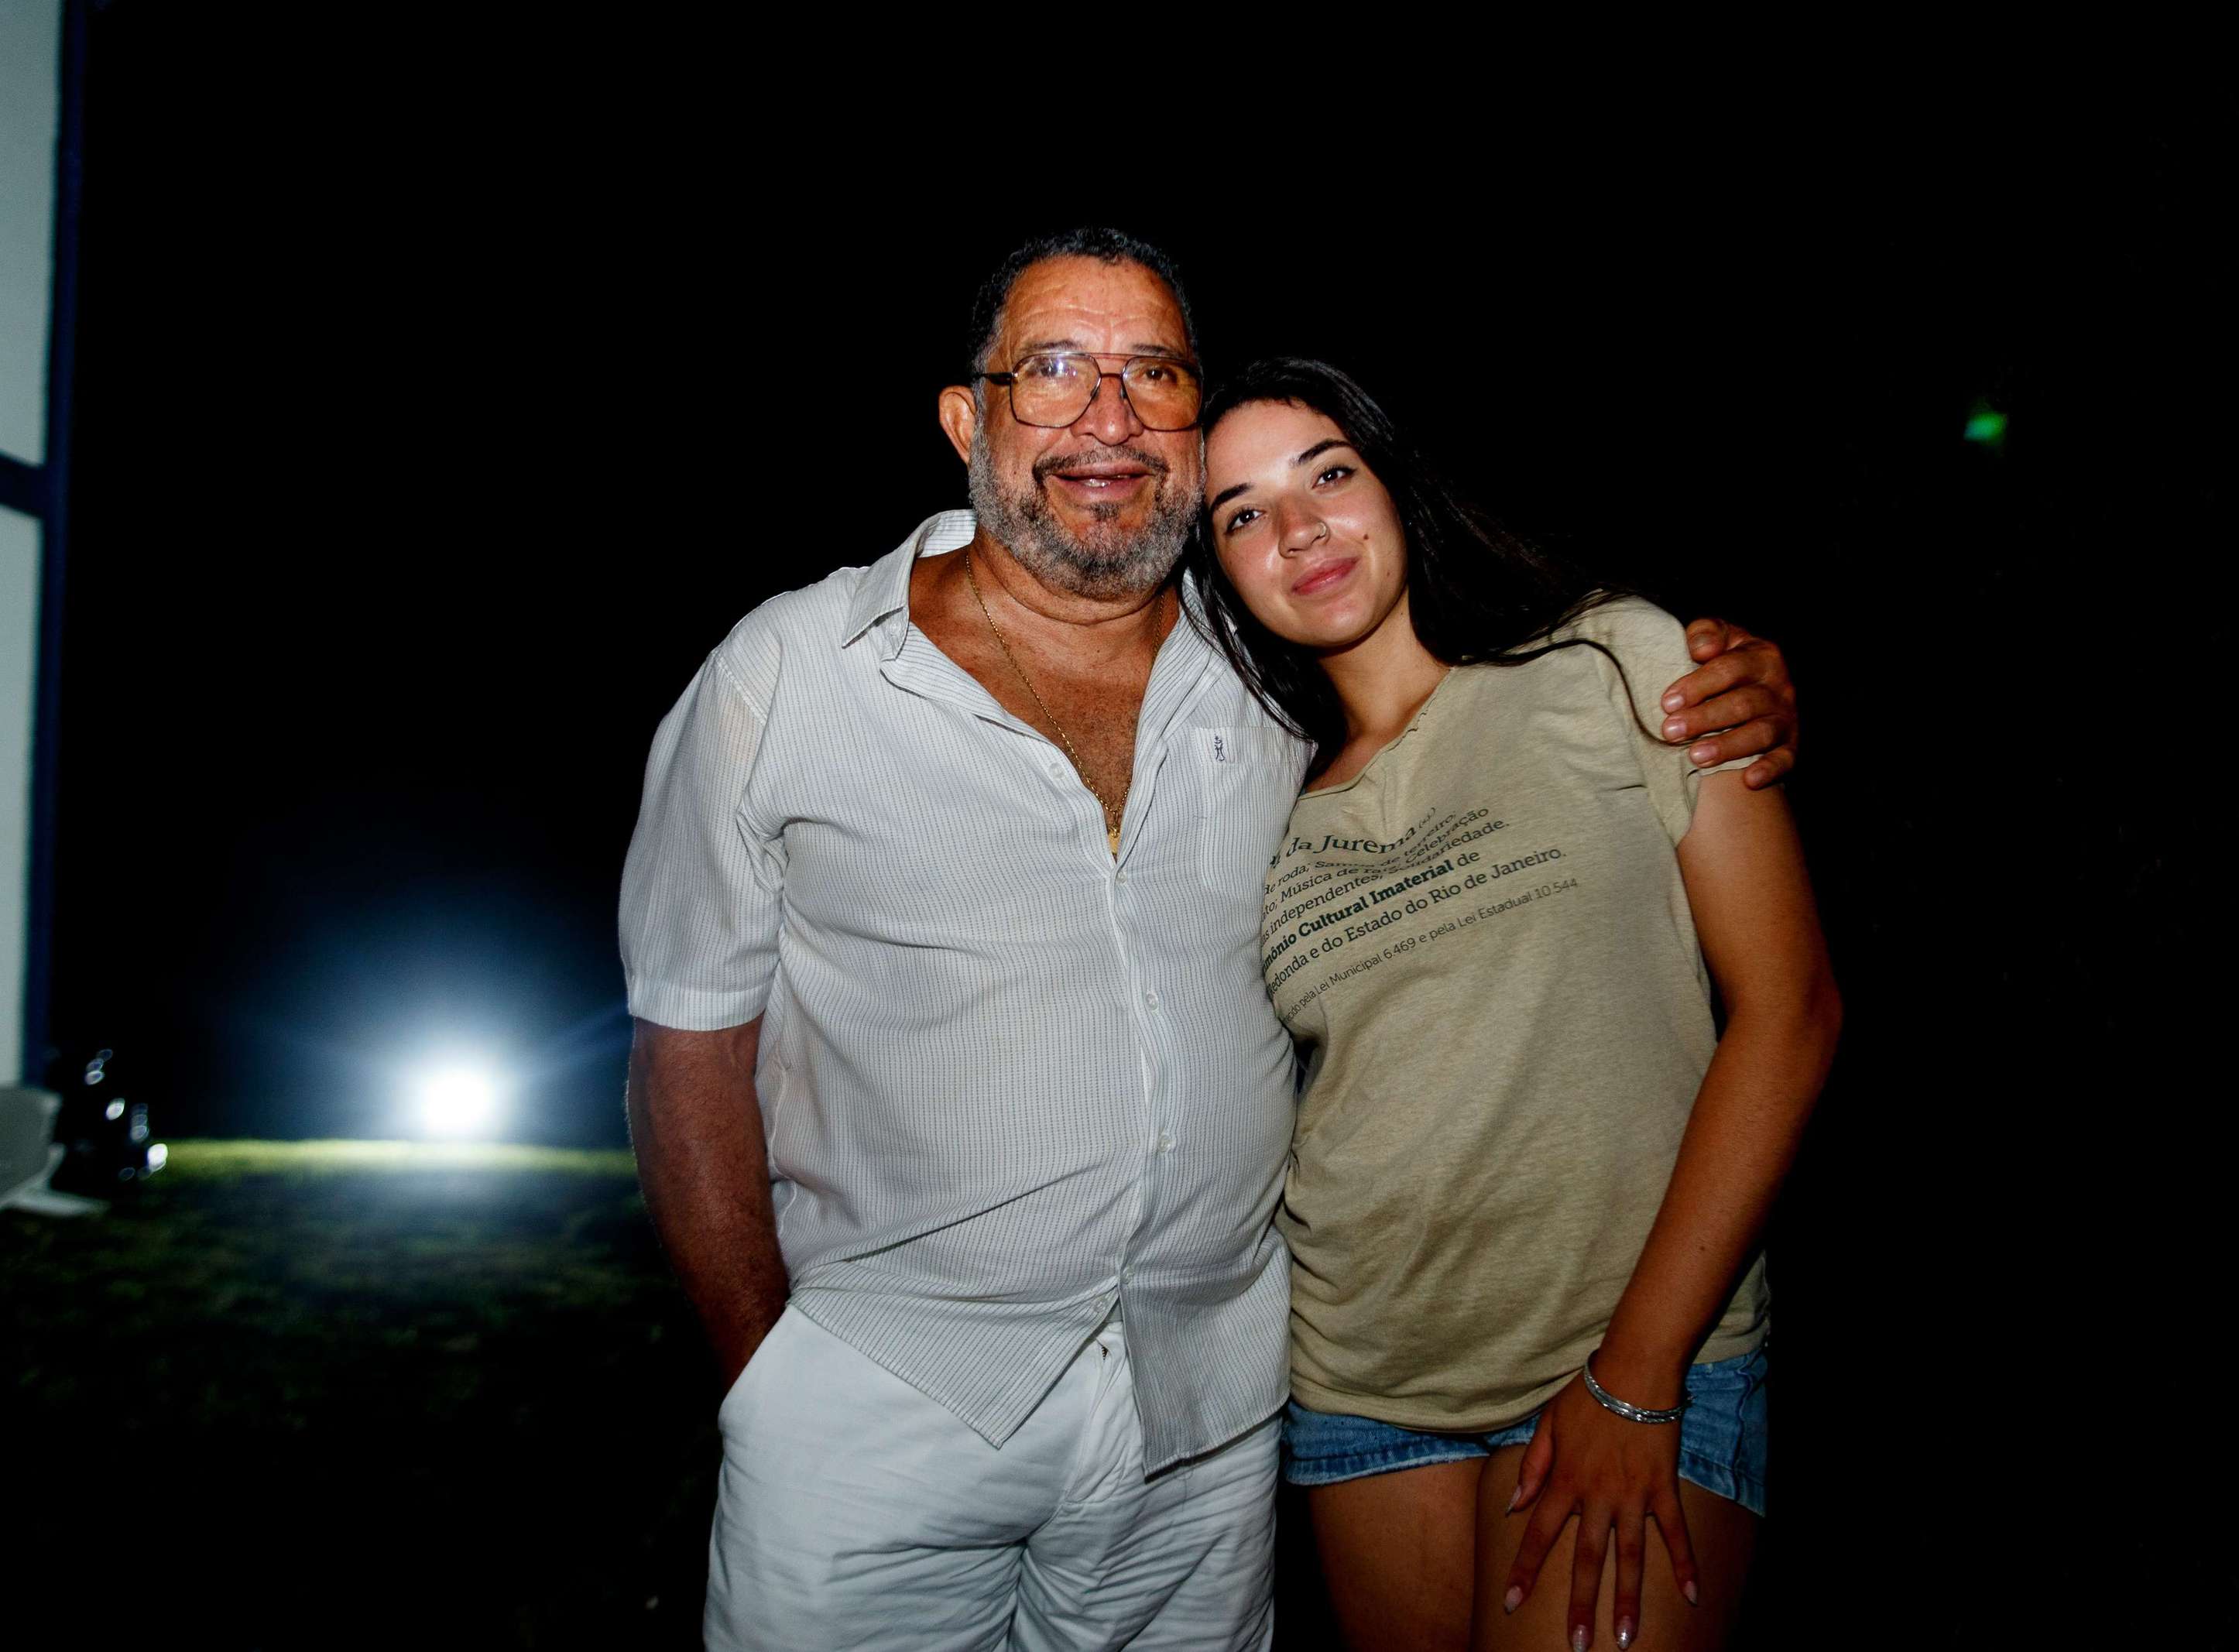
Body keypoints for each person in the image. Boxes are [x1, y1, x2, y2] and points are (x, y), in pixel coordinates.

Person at [617, 229, 1804, 1650]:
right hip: (892, 1403)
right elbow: (686, 1049)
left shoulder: (1263, 680)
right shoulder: (788, 675)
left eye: (1154, 374)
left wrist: (1739, 685)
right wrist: (770, 1382)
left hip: (1206, 1420)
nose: (1107, 416)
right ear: (967, 420)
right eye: (1054, 370)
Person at [1188, 358, 1841, 1652]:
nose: (1300, 528)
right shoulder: (1257, 805)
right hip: (1365, 1385)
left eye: (1329, 473)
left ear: (1393, 483)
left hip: (1639, 1349)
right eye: (1244, 513)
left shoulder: (1617, 662)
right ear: (1221, 574)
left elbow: (1793, 1011)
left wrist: (1637, 1373)